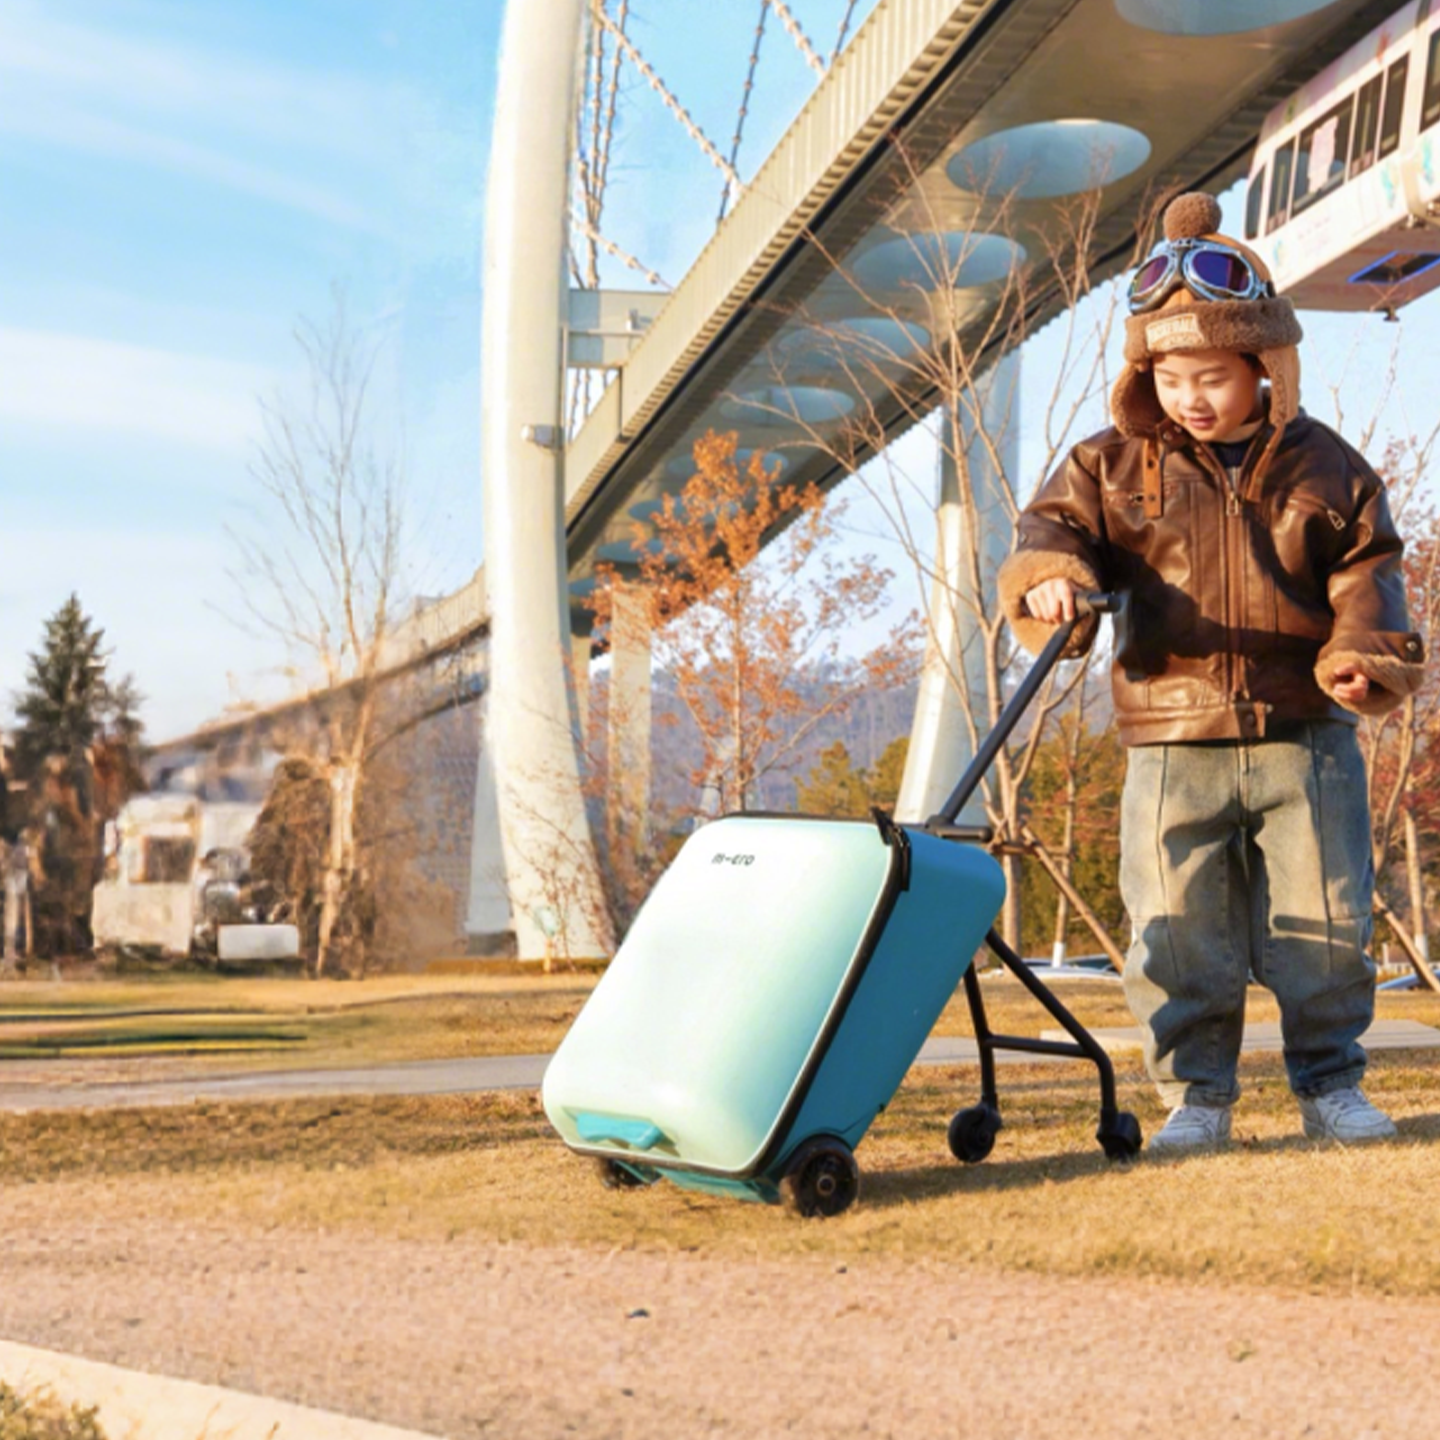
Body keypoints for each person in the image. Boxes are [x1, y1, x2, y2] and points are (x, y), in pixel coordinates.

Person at [997, 191, 1425, 1151]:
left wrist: (1361, 658)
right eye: (1175, 376)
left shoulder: (1331, 468)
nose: (1194, 397)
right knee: (1177, 926)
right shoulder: (1108, 466)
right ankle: (1199, 1098)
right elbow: (1049, 531)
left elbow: (1371, 572)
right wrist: (1056, 579)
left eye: (1217, 377)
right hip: (1168, 731)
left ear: (1267, 367)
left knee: (1327, 918)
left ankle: (1330, 1085)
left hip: (1304, 732)